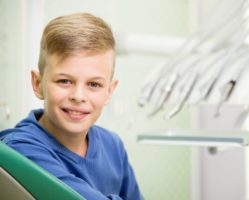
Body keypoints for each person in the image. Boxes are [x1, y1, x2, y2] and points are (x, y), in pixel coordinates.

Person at [0, 13, 143, 200]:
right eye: (65, 81)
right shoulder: (18, 150)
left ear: (109, 91)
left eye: (94, 84)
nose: (78, 96)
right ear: (37, 83)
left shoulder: (113, 145)